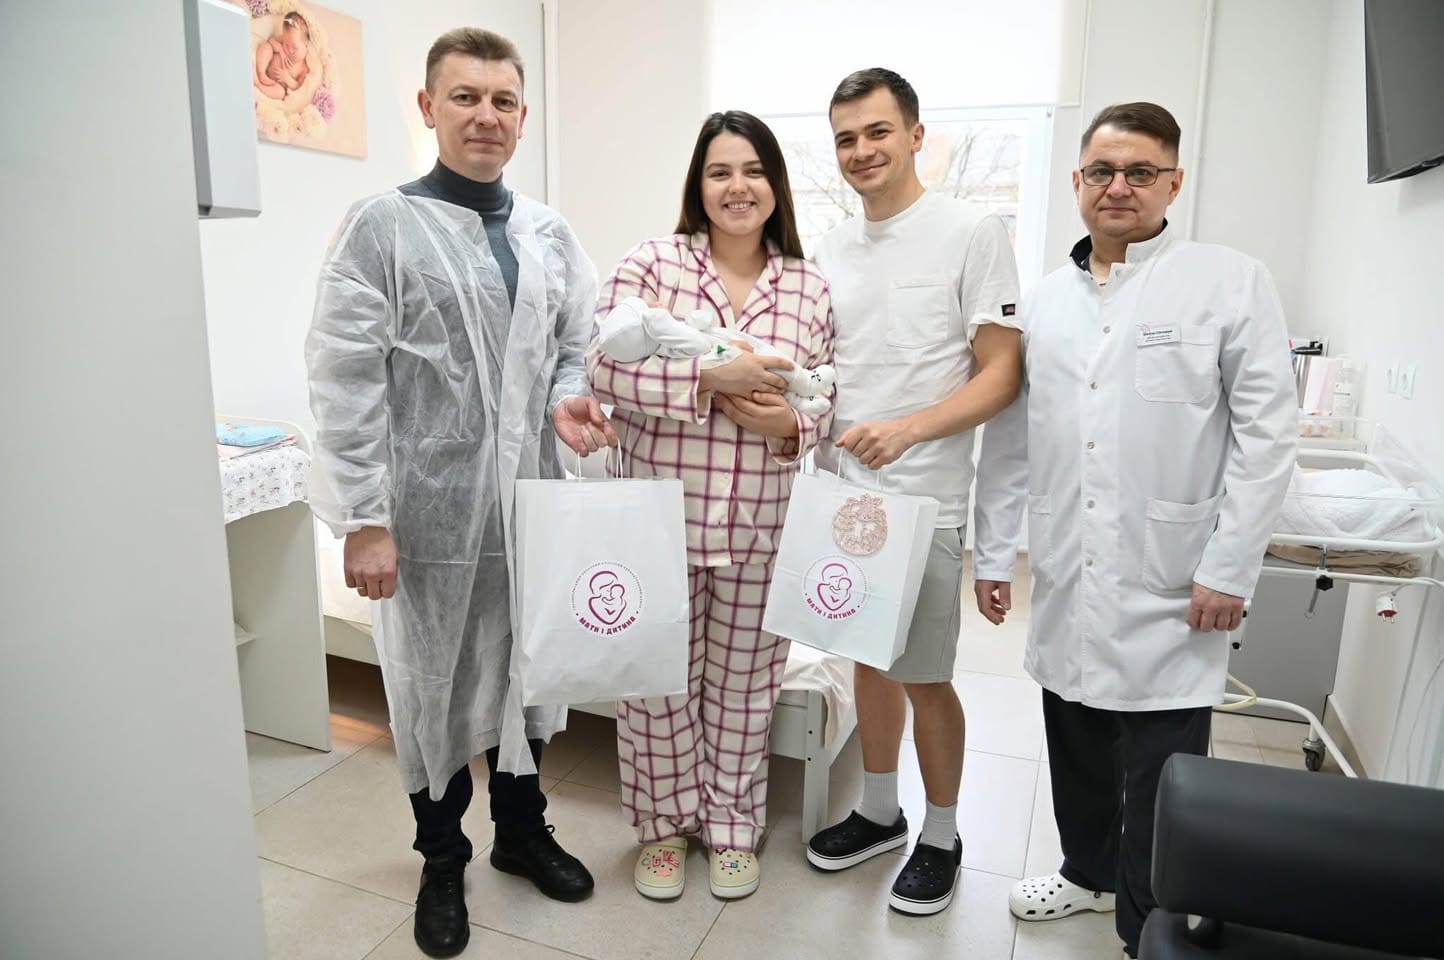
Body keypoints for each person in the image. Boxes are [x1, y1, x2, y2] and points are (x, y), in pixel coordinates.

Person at [305, 27, 616, 960]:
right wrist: (364, 518)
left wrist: (568, 398)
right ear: (429, 107)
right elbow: (345, 379)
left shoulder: (548, 233)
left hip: (530, 501)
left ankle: (521, 832)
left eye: (503, 100)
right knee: (431, 685)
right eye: (466, 97)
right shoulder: (381, 227)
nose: (486, 115)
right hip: (424, 510)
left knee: (529, 668)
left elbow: (573, 345)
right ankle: (443, 860)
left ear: (523, 115)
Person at [971, 101, 1298, 958]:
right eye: (1102, 172)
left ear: (1173, 183)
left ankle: (1149, 925)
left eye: (1141, 172)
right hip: (1069, 566)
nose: (1119, 187)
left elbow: (1268, 437)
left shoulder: (1228, 281)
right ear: (1077, 181)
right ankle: (1087, 874)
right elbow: (1009, 441)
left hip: (1177, 574)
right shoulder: (1044, 302)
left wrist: (1230, 565)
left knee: (1163, 768)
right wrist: (994, 552)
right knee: (1074, 736)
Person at [587, 111, 835, 902]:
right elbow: (601, 367)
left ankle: (731, 827)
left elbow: (827, 394)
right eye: (720, 171)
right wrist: (705, 380)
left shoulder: (809, 286)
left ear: (776, 185)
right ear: (698, 184)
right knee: (655, 683)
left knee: (745, 685)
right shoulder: (651, 265)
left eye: (754, 170)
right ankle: (663, 829)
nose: (738, 187)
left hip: (761, 524)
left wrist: (790, 425)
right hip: (659, 521)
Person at [803, 68, 1024, 918]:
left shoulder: (970, 232)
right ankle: (877, 811)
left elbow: (1001, 374)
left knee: (926, 675)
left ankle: (941, 834)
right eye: (846, 138)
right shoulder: (829, 249)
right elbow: (824, 371)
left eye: (878, 132)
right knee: (866, 659)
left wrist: (908, 430)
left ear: (916, 135)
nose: (862, 150)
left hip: (926, 498)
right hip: (846, 498)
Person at [254, 11, 310, 101]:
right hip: (267, 65)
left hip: (276, 85)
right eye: (286, 44)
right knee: (266, 46)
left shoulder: (304, 68)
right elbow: (271, 40)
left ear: (306, 45)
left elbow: (298, 87)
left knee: (280, 93)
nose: (289, 50)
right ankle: (261, 72)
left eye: (294, 47)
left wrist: (288, 80)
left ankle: (258, 85)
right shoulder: (286, 39)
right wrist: (279, 48)